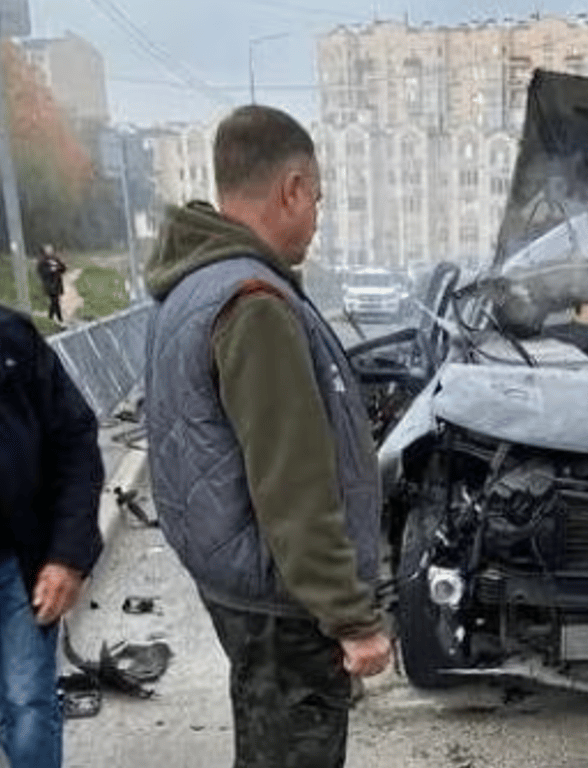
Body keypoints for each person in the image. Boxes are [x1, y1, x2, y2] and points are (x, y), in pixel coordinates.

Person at [142, 105, 393, 768]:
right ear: (292, 190)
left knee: (266, 746)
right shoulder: (255, 302)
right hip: (285, 605)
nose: (316, 218)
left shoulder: (192, 285)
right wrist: (352, 617)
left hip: (241, 587)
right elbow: (294, 485)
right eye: (317, 198)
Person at [0, 170, 105, 768]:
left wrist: (69, 554)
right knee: (0, 703)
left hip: (21, 559)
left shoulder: (6, 339)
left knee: (31, 699)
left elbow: (78, 437)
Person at [36, 244, 67, 324]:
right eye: (48, 250)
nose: (50, 252)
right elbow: (41, 272)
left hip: (57, 283)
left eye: (51, 250)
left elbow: (63, 268)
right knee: (55, 301)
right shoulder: (42, 262)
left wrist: (59, 268)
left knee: (55, 301)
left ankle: (51, 317)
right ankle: (59, 319)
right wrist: (51, 271)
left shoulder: (56, 260)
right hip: (49, 284)